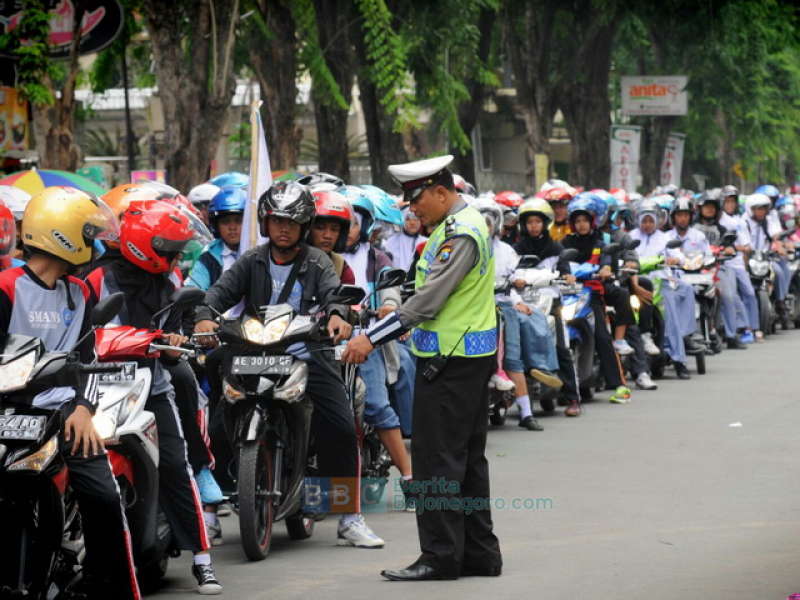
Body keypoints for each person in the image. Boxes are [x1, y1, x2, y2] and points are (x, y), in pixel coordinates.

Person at [193, 180, 384, 548]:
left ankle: (349, 517)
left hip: (307, 355)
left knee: (342, 427)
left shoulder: (317, 261)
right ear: (266, 223)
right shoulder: (251, 260)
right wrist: (204, 315)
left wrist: (337, 314)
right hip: (253, 355)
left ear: (304, 226)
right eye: (277, 220)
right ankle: (211, 514)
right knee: (217, 423)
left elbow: (333, 295)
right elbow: (219, 293)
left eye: (292, 222)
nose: (283, 228)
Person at [342, 154, 503, 581]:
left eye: (417, 202)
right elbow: (417, 285)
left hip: (451, 362)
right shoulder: (450, 230)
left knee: (436, 462)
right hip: (463, 358)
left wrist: (369, 339)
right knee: (466, 461)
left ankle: (440, 555)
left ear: (440, 191)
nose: (413, 210)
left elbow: (427, 302)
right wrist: (392, 295)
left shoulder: (461, 234)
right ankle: (479, 554)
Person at [0, 187, 140, 599]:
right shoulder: (7, 287)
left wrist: (82, 408)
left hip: (61, 415)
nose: (95, 244)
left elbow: (88, 357)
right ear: (62, 234)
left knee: (104, 498)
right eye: (87, 233)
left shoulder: (80, 294)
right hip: (7, 414)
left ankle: (104, 584)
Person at [84, 199, 222, 594]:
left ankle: (202, 560)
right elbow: (89, 335)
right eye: (170, 250)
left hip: (151, 387)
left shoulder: (171, 282)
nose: (175, 257)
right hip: (97, 389)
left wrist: (176, 343)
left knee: (177, 465)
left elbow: (177, 340)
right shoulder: (96, 279)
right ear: (149, 245)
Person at [339, 186, 414, 479]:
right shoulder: (317, 258)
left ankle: (409, 478)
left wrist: (389, 307)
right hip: (320, 342)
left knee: (376, 407)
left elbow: (392, 293)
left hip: (366, 341)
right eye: (338, 224)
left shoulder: (377, 259)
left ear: (365, 225)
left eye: (352, 223)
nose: (344, 230)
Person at [513, 198, 585, 414]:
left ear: (545, 224)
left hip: (551, 303)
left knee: (562, 348)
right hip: (524, 304)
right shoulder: (515, 250)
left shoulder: (556, 248)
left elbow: (564, 269)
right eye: (529, 222)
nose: (533, 226)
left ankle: (573, 399)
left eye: (537, 222)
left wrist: (567, 276)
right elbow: (507, 272)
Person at [560, 194, 635, 403]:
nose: (581, 224)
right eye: (577, 221)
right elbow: (559, 263)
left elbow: (606, 260)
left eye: (584, 220)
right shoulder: (565, 243)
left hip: (591, 295)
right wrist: (564, 273)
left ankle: (620, 386)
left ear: (591, 221)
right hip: (566, 295)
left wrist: (605, 268)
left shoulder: (600, 243)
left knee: (602, 336)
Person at [629, 199, 702, 379]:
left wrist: (679, 260)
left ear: (657, 221)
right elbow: (624, 257)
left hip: (660, 284)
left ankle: (679, 360)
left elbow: (678, 256)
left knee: (673, 314)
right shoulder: (631, 237)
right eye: (644, 220)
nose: (647, 225)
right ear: (638, 220)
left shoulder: (665, 238)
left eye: (650, 221)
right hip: (635, 283)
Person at [693, 189, 748, 349]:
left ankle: (731, 334)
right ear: (700, 209)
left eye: (713, 207)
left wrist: (729, 249)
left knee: (729, 296)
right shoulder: (692, 230)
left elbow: (730, 246)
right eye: (706, 206)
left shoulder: (722, 230)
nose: (709, 210)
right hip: (694, 270)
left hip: (717, 268)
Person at [720, 185, 758, 343]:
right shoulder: (719, 219)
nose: (730, 204)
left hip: (739, 264)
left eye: (732, 201)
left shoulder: (740, 221)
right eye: (727, 201)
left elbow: (747, 246)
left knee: (749, 293)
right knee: (733, 296)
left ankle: (755, 328)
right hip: (724, 264)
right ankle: (742, 327)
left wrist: (742, 254)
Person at [309, 189, 357, 283]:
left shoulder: (341, 267)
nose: (327, 236)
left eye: (334, 229)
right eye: (320, 227)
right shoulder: (290, 258)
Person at [384, 206, 427, 272]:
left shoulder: (426, 242)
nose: (412, 223)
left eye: (416, 219)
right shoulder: (391, 242)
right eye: (408, 219)